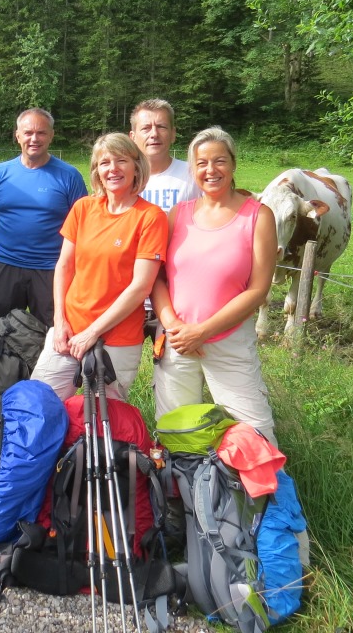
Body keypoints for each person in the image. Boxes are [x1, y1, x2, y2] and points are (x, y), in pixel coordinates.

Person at [150, 126, 279, 445]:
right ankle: (180, 493)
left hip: (229, 340)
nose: (211, 170)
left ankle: (266, 494)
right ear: (192, 169)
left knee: (255, 432)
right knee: (175, 431)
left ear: (233, 164)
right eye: (202, 163)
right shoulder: (176, 215)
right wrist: (173, 327)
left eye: (219, 161)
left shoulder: (258, 216)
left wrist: (203, 331)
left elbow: (258, 290)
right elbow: (159, 277)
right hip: (177, 341)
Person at [30, 133, 168, 401]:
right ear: (96, 171)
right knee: (42, 406)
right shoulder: (83, 208)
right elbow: (64, 266)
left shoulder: (150, 217)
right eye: (104, 163)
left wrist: (92, 333)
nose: (112, 169)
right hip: (69, 330)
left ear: (136, 167)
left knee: (104, 426)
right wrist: (59, 322)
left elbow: (140, 287)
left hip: (117, 337)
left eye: (121, 161)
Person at [0, 108, 87, 328]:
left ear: (51, 135)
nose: (34, 139)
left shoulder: (69, 176)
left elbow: (83, 232)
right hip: (5, 267)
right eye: (28, 133)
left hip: (51, 271)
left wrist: (77, 277)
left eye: (41, 133)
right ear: (17, 135)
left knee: (52, 338)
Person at [129, 98, 199, 342]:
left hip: (177, 293)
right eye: (146, 128)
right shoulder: (120, 176)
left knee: (171, 372)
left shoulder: (193, 175)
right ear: (132, 135)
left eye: (162, 127)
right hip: (128, 292)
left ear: (173, 133)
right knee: (115, 371)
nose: (154, 134)